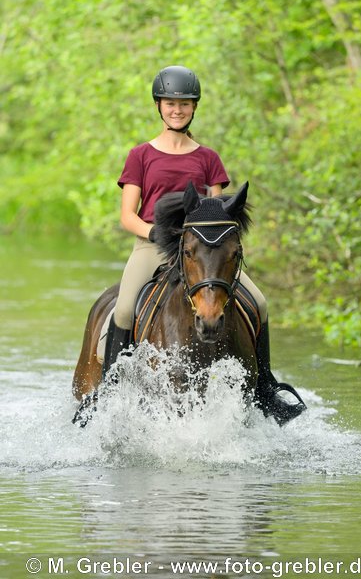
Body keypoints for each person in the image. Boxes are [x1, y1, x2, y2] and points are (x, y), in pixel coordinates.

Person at [102, 65, 305, 424]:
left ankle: (265, 389)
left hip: (204, 252)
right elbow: (126, 215)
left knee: (259, 301)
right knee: (123, 309)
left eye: (184, 103)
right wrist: (157, 235)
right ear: (159, 107)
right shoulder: (141, 155)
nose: (176, 109)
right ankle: (108, 394)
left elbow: (219, 211)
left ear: (194, 107)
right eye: (169, 103)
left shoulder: (208, 157)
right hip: (152, 246)